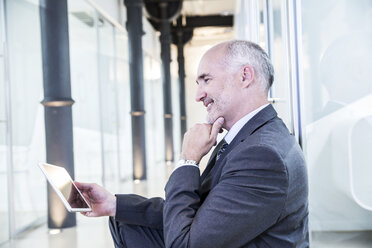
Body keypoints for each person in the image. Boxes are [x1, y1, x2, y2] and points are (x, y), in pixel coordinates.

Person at [75, 40, 309, 247]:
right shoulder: (249, 136)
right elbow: (201, 209)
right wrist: (114, 204)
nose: (198, 95)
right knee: (124, 221)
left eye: (206, 80)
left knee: (130, 229)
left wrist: (188, 159)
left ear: (245, 76)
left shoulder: (261, 155)